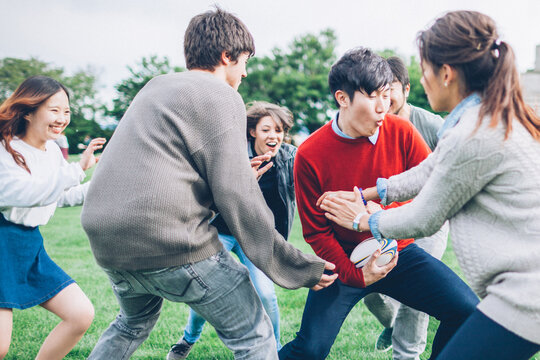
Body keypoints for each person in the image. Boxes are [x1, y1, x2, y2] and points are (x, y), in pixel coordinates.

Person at [80, 8, 336, 360]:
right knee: (255, 334)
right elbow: (237, 196)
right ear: (226, 56)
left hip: (107, 239)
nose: (245, 72)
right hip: (168, 240)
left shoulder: (155, 86)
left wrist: (238, 176)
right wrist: (298, 266)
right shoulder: (222, 95)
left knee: (131, 323)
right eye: (243, 61)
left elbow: (165, 169)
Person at [319, 11, 540, 360]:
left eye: (423, 72)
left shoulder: (473, 133)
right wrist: (369, 194)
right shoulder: (481, 118)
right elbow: (427, 171)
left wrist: (363, 220)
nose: (421, 82)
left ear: (447, 74)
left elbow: (425, 217)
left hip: (526, 297)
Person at [278, 47, 479, 360]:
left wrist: (377, 215)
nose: (384, 106)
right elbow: (316, 233)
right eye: (373, 96)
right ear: (342, 98)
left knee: (468, 312)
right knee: (310, 350)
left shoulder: (401, 130)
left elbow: (428, 188)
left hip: (400, 252)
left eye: (387, 95)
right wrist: (356, 275)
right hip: (344, 262)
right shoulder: (309, 154)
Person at [168, 101, 296, 359]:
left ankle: (276, 351)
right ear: (252, 132)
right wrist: (244, 180)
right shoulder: (232, 153)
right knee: (207, 289)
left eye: (279, 130)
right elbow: (207, 194)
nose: (274, 136)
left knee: (266, 294)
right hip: (221, 232)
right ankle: (188, 339)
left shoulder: (290, 157)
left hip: (256, 236)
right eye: (266, 130)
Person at [0, 76, 105, 360]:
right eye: (54, 109)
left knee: (80, 314)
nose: (62, 118)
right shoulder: (6, 148)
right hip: (1, 243)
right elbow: (23, 193)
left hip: (29, 245)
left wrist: (105, 182)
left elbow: (57, 197)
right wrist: (77, 169)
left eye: (67, 111)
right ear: (28, 110)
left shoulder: (52, 152)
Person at [361, 56, 449, 359]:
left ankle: (406, 355)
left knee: (415, 294)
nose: (384, 98)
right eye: (377, 90)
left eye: (391, 89)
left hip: (428, 219)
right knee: (371, 291)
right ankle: (391, 324)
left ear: (407, 89)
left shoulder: (431, 125)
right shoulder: (369, 124)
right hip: (386, 218)